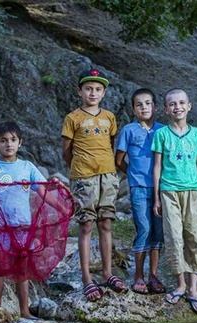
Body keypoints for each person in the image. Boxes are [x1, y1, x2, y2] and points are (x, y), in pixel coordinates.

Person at [0, 121, 64, 319]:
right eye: (3, 141)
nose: (8, 144)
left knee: (22, 269)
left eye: (13, 140)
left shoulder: (27, 167)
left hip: (22, 227)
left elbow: (43, 192)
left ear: (20, 143)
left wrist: (62, 207)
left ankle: (24, 311)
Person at [61, 68, 127, 302]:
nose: (93, 92)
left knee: (106, 222)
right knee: (87, 225)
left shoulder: (109, 117)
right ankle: (87, 277)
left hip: (108, 175)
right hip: (83, 177)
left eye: (98, 89)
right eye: (88, 88)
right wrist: (78, 172)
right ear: (80, 91)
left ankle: (108, 272)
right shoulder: (73, 118)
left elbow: (110, 143)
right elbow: (67, 152)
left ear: (104, 93)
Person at [152, 88, 197, 313]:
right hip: (168, 191)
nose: (177, 107)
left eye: (181, 103)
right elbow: (157, 167)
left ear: (189, 106)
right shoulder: (162, 135)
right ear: (166, 109)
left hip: (193, 191)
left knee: (194, 237)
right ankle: (180, 284)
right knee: (174, 237)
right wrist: (156, 196)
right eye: (172, 104)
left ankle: (194, 289)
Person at [115, 88, 166, 294]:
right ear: (134, 109)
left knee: (158, 231)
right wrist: (132, 174)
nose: (144, 107)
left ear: (155, 106)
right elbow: (119, 160)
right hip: (138, 187)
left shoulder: (163, 130)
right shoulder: (129, 130)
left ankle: (154, 275)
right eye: (139, 104)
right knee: (143, 228)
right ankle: (138, 275)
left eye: (148, 103)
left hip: (161, 188)